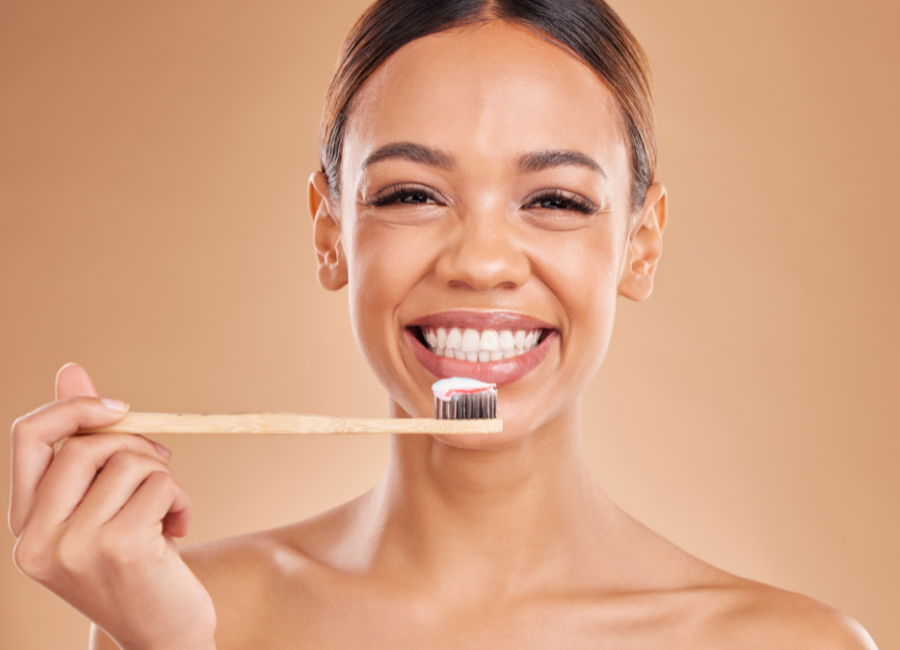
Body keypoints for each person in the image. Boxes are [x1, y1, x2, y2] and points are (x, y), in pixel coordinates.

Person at [8, 1, 878, 648]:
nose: (481, 261)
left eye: (556, 200)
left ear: (640, 246)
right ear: (330, 232)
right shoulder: (185, 612)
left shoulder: (792, 645)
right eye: (412, 195)